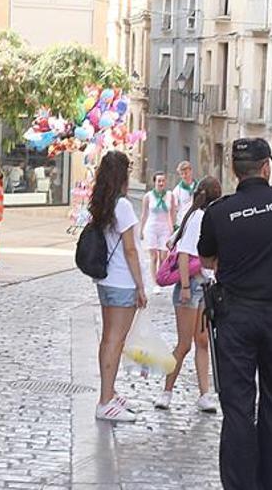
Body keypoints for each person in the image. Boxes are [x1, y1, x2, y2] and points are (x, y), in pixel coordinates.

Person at [198, 137, 272, 490]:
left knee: (238, 408)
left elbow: (207, 259)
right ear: (266, 167)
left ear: (234, 171)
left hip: (236, 318)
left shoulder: (219, 211)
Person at [154, 176, 222, 413]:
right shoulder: (198, 218)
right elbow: (184, 254)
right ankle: (167, 391)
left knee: (202, 341)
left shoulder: (203, 217)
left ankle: (205, 394)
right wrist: (184, 286)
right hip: (191, 286)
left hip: (205, 286)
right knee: (184, 344)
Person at [90, 150, 148, 423]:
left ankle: (109, 393)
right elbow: (131, 250)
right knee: (115, 340)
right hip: (123, 280)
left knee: (109, 338)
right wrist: (140, 285)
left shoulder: (103, 202)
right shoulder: (122, 206)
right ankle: (105, 400)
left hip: (107, 279)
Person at [140, 171, 174, 294]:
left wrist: (173, 229)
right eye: (159, 181)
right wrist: (141, 230)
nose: (161, 183)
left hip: (165, 228)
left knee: (163, 256)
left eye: (163, 181)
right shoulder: (148, 196)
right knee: (153, 256)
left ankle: (161, 278)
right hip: (151, 228)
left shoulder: (170, 195)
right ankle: (155, 283)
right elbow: (144, 214)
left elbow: (172, 213)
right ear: (154, 182)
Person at [171, 160, 198, 228]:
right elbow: (173, 208)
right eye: (181, 174)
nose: (184, 176)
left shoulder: (198, 187)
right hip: (183, 222)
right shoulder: (177, 190)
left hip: (196, 221)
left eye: (186, 173)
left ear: (191, 171)